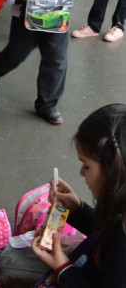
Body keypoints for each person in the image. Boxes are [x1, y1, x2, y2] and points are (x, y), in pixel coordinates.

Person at [32, 103, 126, 286]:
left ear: (112, 171)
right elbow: (104, 232)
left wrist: (63, 268)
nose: (81, 173)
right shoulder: (117, 201)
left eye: (86, 166)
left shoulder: (122, 246)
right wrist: (78, 209)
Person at [0, 0, 74, 125]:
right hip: (26, 2)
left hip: (58, 0)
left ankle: (47, 104)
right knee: (16, 54)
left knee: (56, 57)